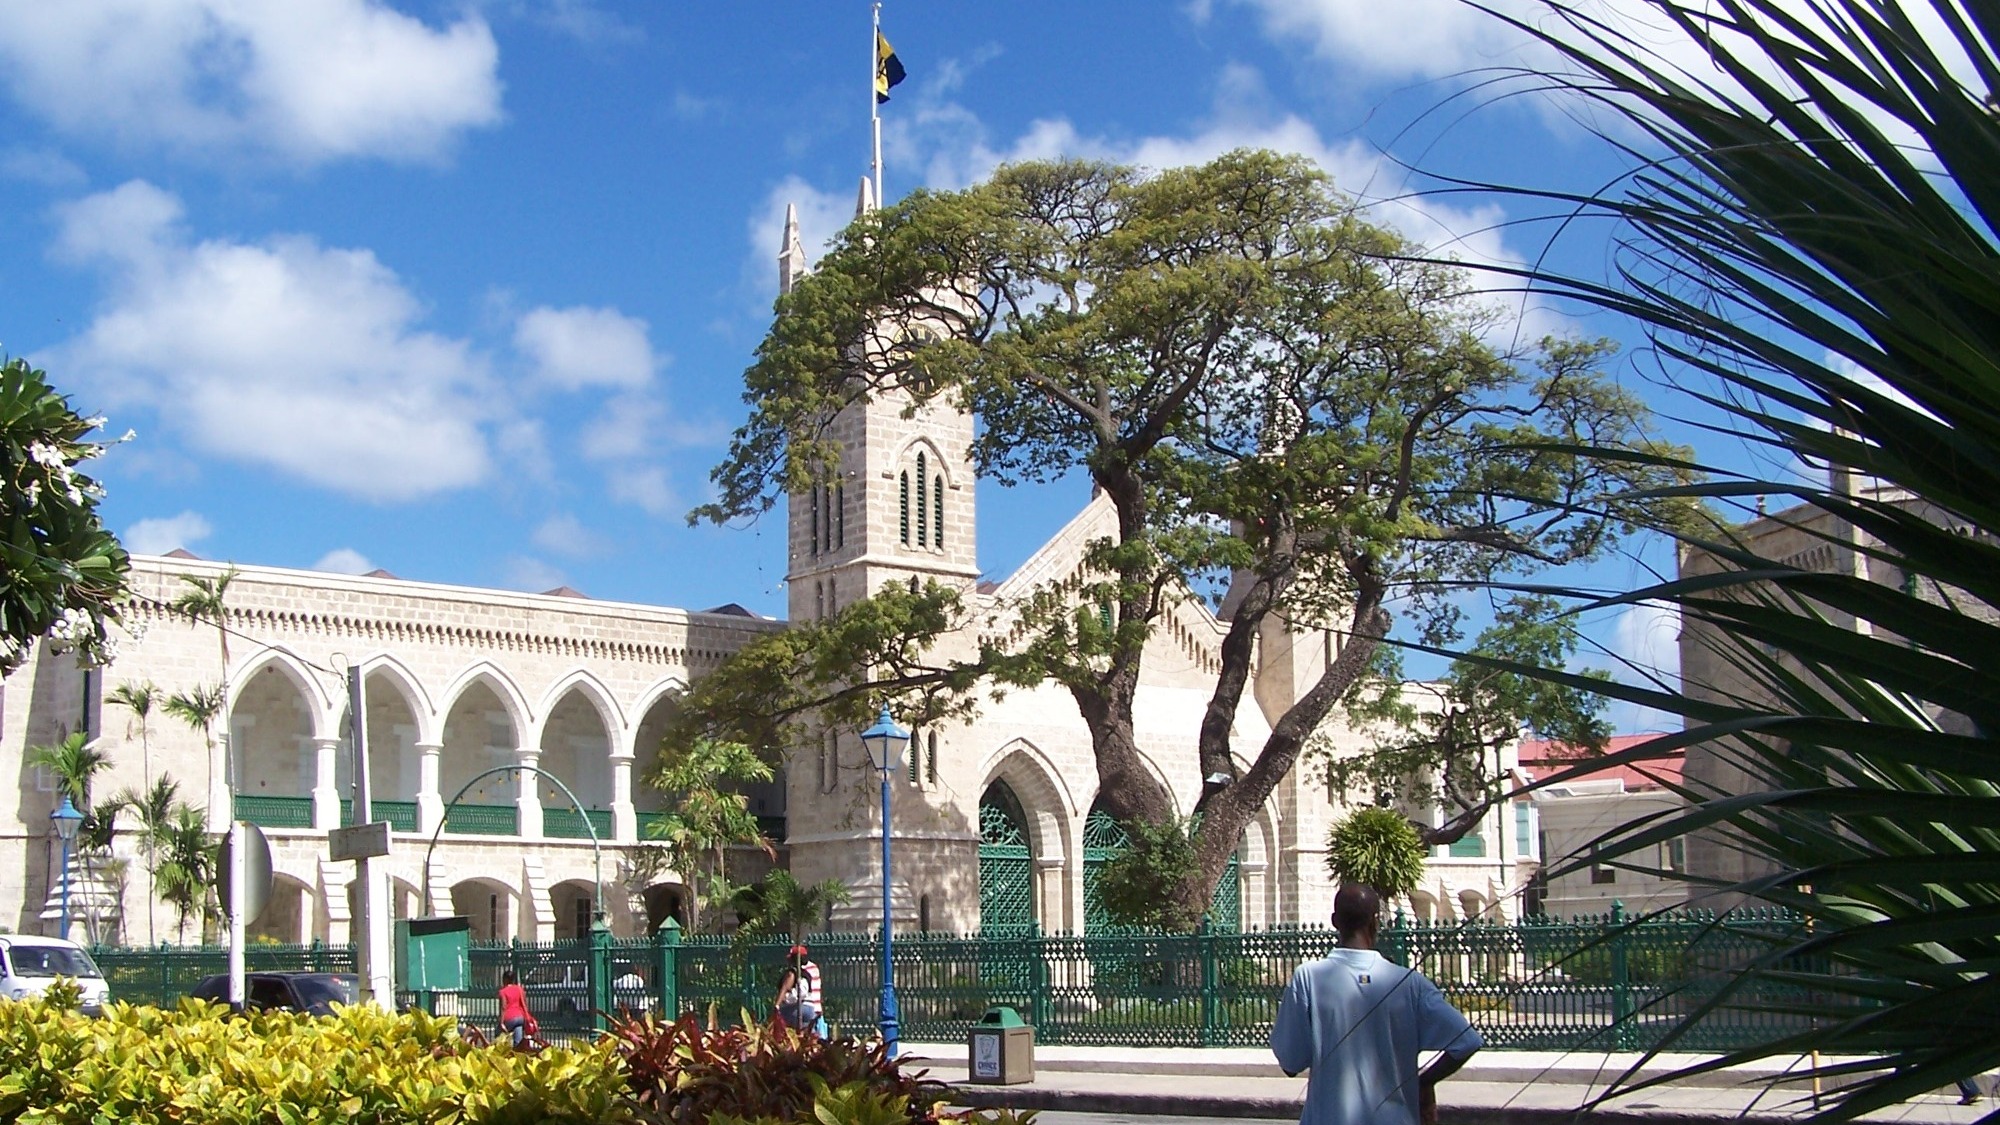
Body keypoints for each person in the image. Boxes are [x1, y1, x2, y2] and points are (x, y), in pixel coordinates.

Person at [1271, 885, 1485, 1125]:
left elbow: (1290, 1063)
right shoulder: (1409, 983)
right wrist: (1423, 1082)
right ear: (1376, 922)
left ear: (1334, 921)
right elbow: (1467, 1041)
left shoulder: (1308, 978)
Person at [773, 943, 826, 1037]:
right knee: (809, 1035)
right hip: (811, 1008)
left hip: (796, 1008)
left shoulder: (792, 973)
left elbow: (785, 988)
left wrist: (777, 1005)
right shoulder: (811, 971)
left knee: (783, 1025)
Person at [497, 969, 533, 1047]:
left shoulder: (502, 992)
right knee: (518, 1041)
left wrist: (502, 1022)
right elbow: (524, 1004)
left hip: (509, 1018)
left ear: (504, 980)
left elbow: (503, 1007)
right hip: (520, 1017)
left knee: (499, 1035)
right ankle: (518, 1052)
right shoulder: (519, 989)